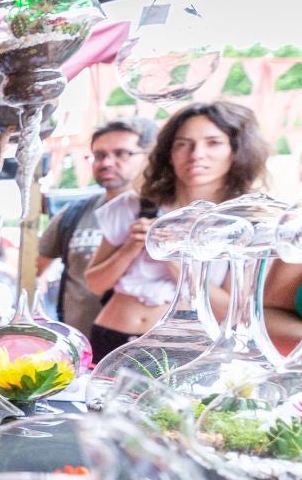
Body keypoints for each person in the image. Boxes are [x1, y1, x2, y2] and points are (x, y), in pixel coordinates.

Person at [83, 102, 266, 361]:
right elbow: (94, 283)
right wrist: (131, 248)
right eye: (183, 144)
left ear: (237, 150)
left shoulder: (247, 222)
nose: (196, 154)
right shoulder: (134, 206)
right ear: (169, 152)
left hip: (190, 350)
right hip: (113, 336)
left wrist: (173, 254)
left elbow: (231, 309)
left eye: (213, 143)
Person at [37, 118, 155, 340]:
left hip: (145, 347)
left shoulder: (165, 213)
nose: (107, 162)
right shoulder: (73, 214)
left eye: (122, 153)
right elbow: (34, 270)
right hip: (81, 344)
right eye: (99, 155)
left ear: (149, 157)